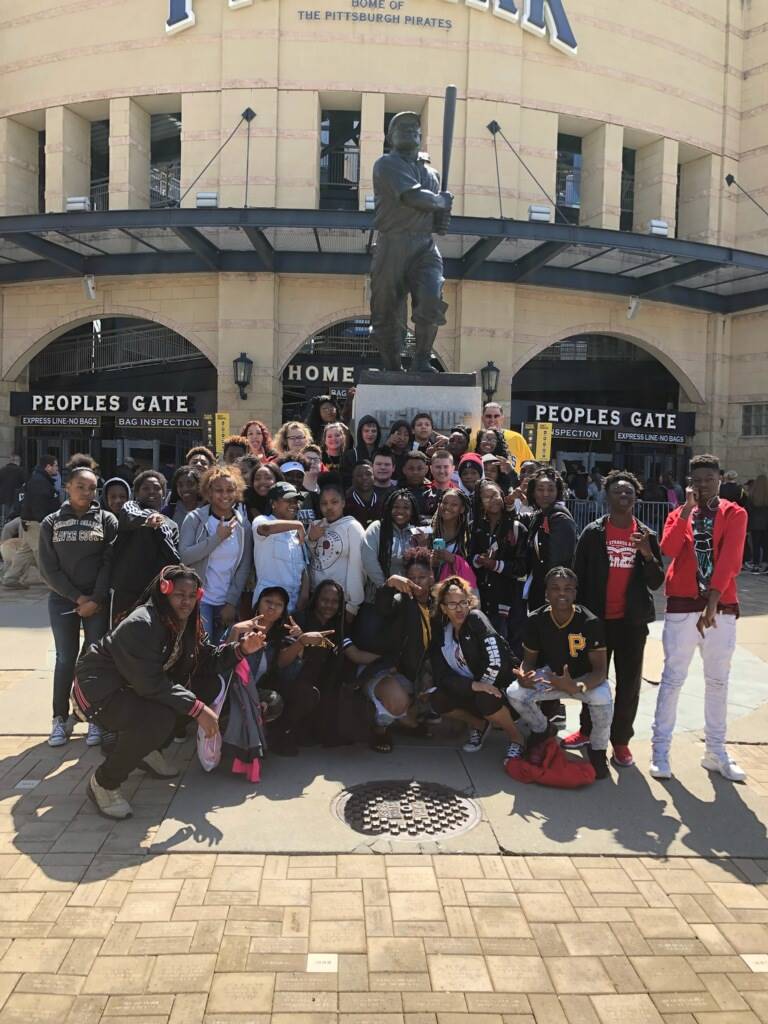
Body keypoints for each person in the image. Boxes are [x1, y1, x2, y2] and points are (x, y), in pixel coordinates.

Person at [74, 564, 265, 819]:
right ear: (165, 591)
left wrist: (241, 649)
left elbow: (204, 660)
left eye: (191, 596)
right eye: (179, 595)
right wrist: (198, 709)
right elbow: (149, 683)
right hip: (99, 691)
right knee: (159, 719)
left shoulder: (186, 621)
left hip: (136, 687)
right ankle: (104, 783)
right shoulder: (141, 623)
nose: (186, 601)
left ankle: (148, 748)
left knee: (209, 686)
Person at [649, 453, 748, 782]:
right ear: (689, 483)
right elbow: (669, 549)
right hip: (681, 603)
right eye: (697, 480)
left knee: (718, 681)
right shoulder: (679, 513)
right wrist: (688, 511)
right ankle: (660, 749)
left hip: (720, 606)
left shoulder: (735, 513)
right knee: (673, 678)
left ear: (719, 478)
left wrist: (712, 602)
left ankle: (716, 751)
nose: (703, 485)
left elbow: (731, 559)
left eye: (709, 478)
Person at [567, 470, 665, 767]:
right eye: (617, 492)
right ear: (607, 497)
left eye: (629, 493)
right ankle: (586, 730)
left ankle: (620, 741)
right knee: (591, 678)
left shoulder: (646, 535)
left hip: (631, 623)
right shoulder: (593, 533)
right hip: (596, 621)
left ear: (636, 497)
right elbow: (577, 577)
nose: (624, 497)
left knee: (629, 683)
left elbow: (656, 582)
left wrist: (647, 554)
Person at [506, 566, 613, 778]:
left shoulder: (590, 622)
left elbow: (600, 670)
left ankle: (598, 750)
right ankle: (542, 729)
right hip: (551, 677)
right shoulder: (536, 620)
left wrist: (577, 686)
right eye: (555, 588)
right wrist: (524, 675)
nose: (561, 593)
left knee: (604, 699)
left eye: (568, 588)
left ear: (575, 593)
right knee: (514, 692)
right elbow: (529, 662)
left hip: (584, 679)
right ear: (546, 593)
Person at [37, 467, 118, 748]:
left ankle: (94, 717)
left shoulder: (106, 520)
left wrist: (94, 598)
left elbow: (109, 563)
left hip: (97, 601)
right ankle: (60, 718)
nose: (87, 492)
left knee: (94, 660)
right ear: (68, 487)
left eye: (92, 488)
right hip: (63, 600)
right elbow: (48, 568)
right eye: (81, 487)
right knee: (65, 659)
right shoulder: (51, 522)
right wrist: (77, 598)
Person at [369, 109, 452, 372]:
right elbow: (413, 198)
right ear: (390, 137)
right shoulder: (386, 164)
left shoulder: (433, 173)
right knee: (386, 313)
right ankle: (392, 366)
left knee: (431, 299)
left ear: (420, 135)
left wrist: (442, 215)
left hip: (424, 246)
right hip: (392, 244)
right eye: (400, 127)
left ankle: (422, 360)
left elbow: (436, 213)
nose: (407, 130)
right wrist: (441, 202)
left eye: (412, 127)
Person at [429, 575, 525, 759]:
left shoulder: (475, 619)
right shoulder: (442, 633)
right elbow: (442, 675)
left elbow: (497, 660)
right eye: (452, 604)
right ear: (443, 608)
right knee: (437, 698)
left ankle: (516, 738)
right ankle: (479, 724)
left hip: (501, 688)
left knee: (485, 698)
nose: (459, 609)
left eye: (463, 602)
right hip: (472, 688)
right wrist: (473, 687)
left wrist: (483, 686)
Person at [366, 553, 436, 752]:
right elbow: (383, 607)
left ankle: (406, 721)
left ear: (432, 576)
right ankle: (380, 730)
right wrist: (389, 585)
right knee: (397, 702)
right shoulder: (400, 600)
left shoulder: (438, 603)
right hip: (392, 670)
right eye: (411, 578)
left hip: (423, 673)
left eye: (421, 577)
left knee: (453, 728)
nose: (416, 583)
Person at [179, 465, 253, 643]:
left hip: (226, 603)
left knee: (222, 654)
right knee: (201, 651)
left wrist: (231, 602)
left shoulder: (244, 526)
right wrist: (217, 538)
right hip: (198, 600)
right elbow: (185, 556)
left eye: (230, 490)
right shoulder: (194, 518)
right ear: (208, 492)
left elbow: (244, 567)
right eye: (218, 490)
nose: (225, 495)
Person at [281, 579, 349, 748]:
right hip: (294, 683)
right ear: (316, 599)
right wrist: (301, 638)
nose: (329, 605)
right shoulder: (299, 619)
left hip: (322, 685)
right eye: (324, 600)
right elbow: (284, 662)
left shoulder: (338, 626)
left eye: (334, 602)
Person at [255, 586, 322, 755]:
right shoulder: (242, 626)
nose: (272, 607)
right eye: (268, 601)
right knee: (273, 700)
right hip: (240, 688)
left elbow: (285, 670)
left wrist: (300, 642)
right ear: (258, 603)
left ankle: (279, 735)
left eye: (278, 604)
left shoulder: (283, 634)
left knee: (307, 693)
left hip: (268, 687)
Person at [111, 470, 181, 622]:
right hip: (127, 593)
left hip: (155, 595)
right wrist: (148, 518)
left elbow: (173, 558)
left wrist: (160, 529)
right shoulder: (131, 509)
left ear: (163, 493)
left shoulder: (172, 525)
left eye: (157, 488)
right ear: (136, 493)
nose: (151, 492)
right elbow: (129, 516)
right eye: (146, 488)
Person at [470, 480, 527, 646]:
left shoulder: (517, 528)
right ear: (480, 503)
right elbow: (469, 557)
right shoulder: (474, 527)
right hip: (482, 595)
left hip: (508, 597)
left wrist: (495, 565)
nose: (492, 499)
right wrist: (478, 560)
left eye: (495, 494)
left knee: (508, 643)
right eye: (486, 497)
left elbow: (521, 567)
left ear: (502, 496)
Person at [522, 467, 578, 613]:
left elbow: (559, 561)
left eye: (551, 489)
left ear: (558, 492)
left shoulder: (560, 519)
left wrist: (551, 593)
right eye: (540, 489)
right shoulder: (539, 516)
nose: (545, 494)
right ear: (533, 492)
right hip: (538, 590)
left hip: (553, 595)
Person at [308, 480, 366, 617]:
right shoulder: (315, 526)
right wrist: (311, 540)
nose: (329, 507)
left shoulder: (352, 527)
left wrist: (353, 605)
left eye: (334, 502)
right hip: (315, 600)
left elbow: (358, 567)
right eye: (324, 503)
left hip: (341, 602)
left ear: (343, 503)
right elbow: (307, 562)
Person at [2, 454, 60, 591]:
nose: (57, 468)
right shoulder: (40, 482)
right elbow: (39, 505)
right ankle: (52, 582)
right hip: (35, 523)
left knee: (26, 552)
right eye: (56, 465)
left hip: (31, 521)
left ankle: (11, 577)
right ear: (48, 466)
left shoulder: (41, 480)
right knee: (41, 552)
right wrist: (45, 521)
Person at [252, 482, 309, 613]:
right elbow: (265, 528)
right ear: (273, 503)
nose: (294, 505)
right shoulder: (262, 519)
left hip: (293, 607)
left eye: (295, 501)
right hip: (268, 606)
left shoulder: (296, 532)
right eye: (288, 500)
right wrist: (298, 525)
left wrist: (304, 597)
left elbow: (304, 567)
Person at [362, 488, 421, 597]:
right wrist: (386, 586)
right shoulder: (377, 528)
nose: (401, 511)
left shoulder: (418, 532)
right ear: (389, 508)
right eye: (396, 507)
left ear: (412, 511)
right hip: (378, 597)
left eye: (406, 507)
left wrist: (423, 543)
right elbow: (369, 561)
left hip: (409, 597)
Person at [478, 403, 534, 473]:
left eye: (496, 416)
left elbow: (531, 466)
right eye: (488, 416)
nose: (492, 420)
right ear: (482, 418)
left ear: (502, 418)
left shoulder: (516, 438)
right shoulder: (476, 440)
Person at [341, 416, 381, 487]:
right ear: (360, 433)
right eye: (366, 431)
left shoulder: (382, 454)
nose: (370, 434)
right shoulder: (351, 455)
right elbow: (346, 480)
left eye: (373, 431)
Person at [345, 461, 384, 529]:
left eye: (368, 474)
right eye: (359, 475)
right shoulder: (346, 505)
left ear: (374, 477)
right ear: (353, 479)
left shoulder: (384, 501)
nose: (364, 478)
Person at [401, 450, 437, 520]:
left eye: (419, 468)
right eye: (411, 468)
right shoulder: (396, 491)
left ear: (426, 469)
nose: (415, 472)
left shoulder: (434, 493)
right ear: (404, 470)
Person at [745, 473, 768, 572]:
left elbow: (748, 509)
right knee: (766, 544)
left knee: (756, 545)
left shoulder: (752, 494)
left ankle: (755, 565)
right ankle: (765, 563)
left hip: (755, 523)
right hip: (766, 523)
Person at [0, 454, 24, 525]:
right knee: (12, 517)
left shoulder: (2, 470)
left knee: (3, 516)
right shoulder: (20, 470)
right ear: (17, 461)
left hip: (3, 497)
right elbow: (25, 483)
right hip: (15, 497)